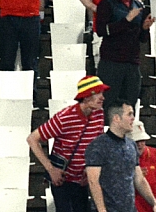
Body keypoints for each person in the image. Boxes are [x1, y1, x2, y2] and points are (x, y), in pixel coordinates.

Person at [28, 76, 108, 212]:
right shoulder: (65, 117)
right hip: (63, 180)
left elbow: (97, 145)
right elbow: (32, 139)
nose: (102, 97)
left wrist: (90, 169)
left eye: (102, 93)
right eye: (97, 93)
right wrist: (51, 169)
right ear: (86, 97)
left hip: (82, 181)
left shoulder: (99, 114)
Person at [85, 101, 156, 212]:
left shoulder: (131, 145)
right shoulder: (98, 146)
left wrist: (154, 202)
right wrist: (102, 210)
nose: (133, 118)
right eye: (129, 114)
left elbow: (139, 179)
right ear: (116, 118)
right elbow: (93, 181)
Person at [94, 0, 154, 110]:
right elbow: (102, 31)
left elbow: (141, 38)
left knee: (129, 106)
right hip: (111, 62)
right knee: (108, 105)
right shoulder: (107, 2)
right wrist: (126, 20)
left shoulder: (138, 4)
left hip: (132, 62)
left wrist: (144, 29)